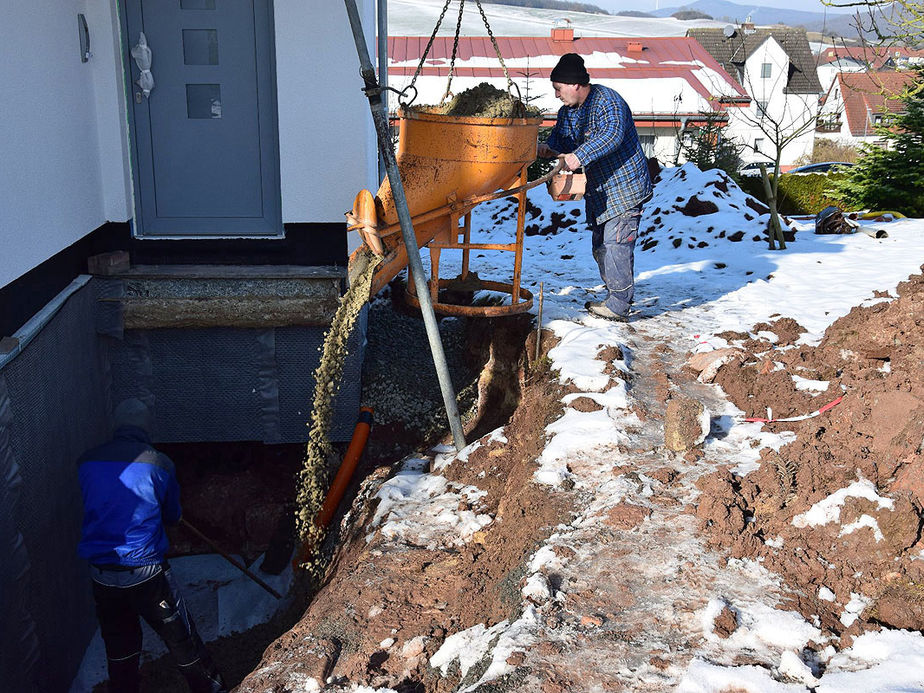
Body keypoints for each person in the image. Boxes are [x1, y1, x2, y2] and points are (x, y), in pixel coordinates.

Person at [78, 398, 226, 693]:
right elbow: (171, 515)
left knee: (120, 646)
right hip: (146, 574)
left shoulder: (87, 461)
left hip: (102, 575)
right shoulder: (159, 462)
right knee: (181, 640)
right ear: (146, 427)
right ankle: (211, 689)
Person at [538, 53, 653, 322]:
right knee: (600, 245)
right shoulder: (568, 112)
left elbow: (611, 135)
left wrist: (580, 156)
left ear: (575, 84)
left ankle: (618, 305)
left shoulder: (608, 102)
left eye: (558, 88)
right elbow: (560, 141)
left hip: (625, 187)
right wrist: (545, 149)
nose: (556, 95)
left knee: (615, 245)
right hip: (600, 191)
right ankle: (617, 296)